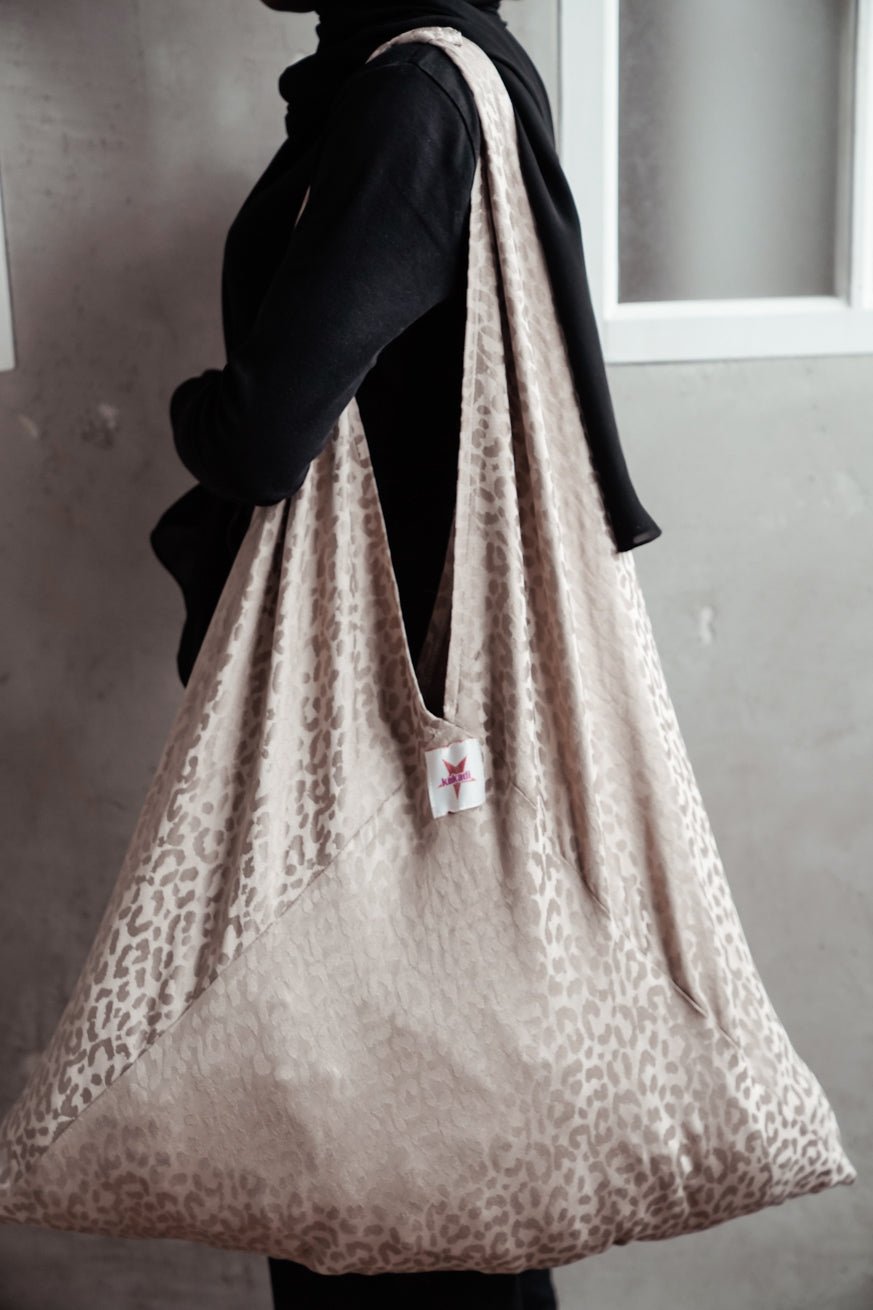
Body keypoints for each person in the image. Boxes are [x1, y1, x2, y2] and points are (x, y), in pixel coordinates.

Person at [150, 1, 662, 1304]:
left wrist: (187, 409)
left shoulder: (411, 100)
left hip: (377, 731)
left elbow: (264, 433)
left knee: (377, 1189)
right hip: (421, 716)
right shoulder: (446, 73)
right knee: (428, 1161)